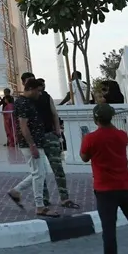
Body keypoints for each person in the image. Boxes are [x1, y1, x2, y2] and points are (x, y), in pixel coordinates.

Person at [80, 103, 128, 254]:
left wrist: (85, 140)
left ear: (96, 119)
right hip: (125, 185)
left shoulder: (91, 138)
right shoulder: (122, 135)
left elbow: (84, 157)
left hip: (104, 189)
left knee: (109, 228)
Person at [7, 78, 60, 217]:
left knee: (39, 172)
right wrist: (32, 145)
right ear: (30, 89)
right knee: (38, 173)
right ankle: (40, 206)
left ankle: (16, 191)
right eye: (38, 91)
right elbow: (23, 126)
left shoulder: (28, 102)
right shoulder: (22, 103)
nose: (40, 94)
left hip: (36, 142)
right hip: (31, 143)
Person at [35, 79, 79, 209]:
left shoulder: (44, 97)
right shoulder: (28, 101)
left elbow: (54, 113)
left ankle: (59, 198)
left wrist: (57, 130)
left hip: (47, 135)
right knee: (46, 170)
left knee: (52, 168)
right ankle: (52, 198)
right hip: (43, 137)